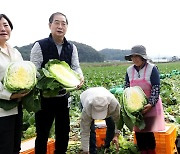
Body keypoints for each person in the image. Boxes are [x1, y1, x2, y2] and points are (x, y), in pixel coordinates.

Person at [30, 12, 84, 154]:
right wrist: (49, 80)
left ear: (67, 27)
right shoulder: (39, 45)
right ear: (50, 25)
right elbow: (34, 69)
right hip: (45, 98)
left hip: (63, 98)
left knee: (63, 133)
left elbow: (75, 66)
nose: (60, 26)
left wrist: (80, 76)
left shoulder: (71, 47)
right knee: (42, 134)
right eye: (57, 23)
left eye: (63, 23)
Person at [124, 45, 165, 154]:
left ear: (143, 57)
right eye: (133, 57)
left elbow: (156, 87)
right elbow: (126, 88)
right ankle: (143, 152)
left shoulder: (152, 68)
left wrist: (151, 103)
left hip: (150, 106)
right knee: (139, 134)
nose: (135, 59)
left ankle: (151, 152)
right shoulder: (129, 70)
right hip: (135, 108)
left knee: (148, 133)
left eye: (137, 56)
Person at [0, 14, 29, 154]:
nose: (3, 29)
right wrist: (9, 95)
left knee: (15, 147)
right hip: (1, 111)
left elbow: (24, 74)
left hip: (17, 108)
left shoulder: (16, 52)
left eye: (5, 25)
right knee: (4, 148)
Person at [80, 87, 120, 154]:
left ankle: (108, 146)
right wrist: (85, 150)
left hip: (106, 102)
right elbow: (85, 131)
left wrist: (116, 135)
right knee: (90, 128)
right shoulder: (87, 108)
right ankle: (92, 150)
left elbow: (118, 120)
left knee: (111, 123)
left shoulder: (114, 104)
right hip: (86, 96)